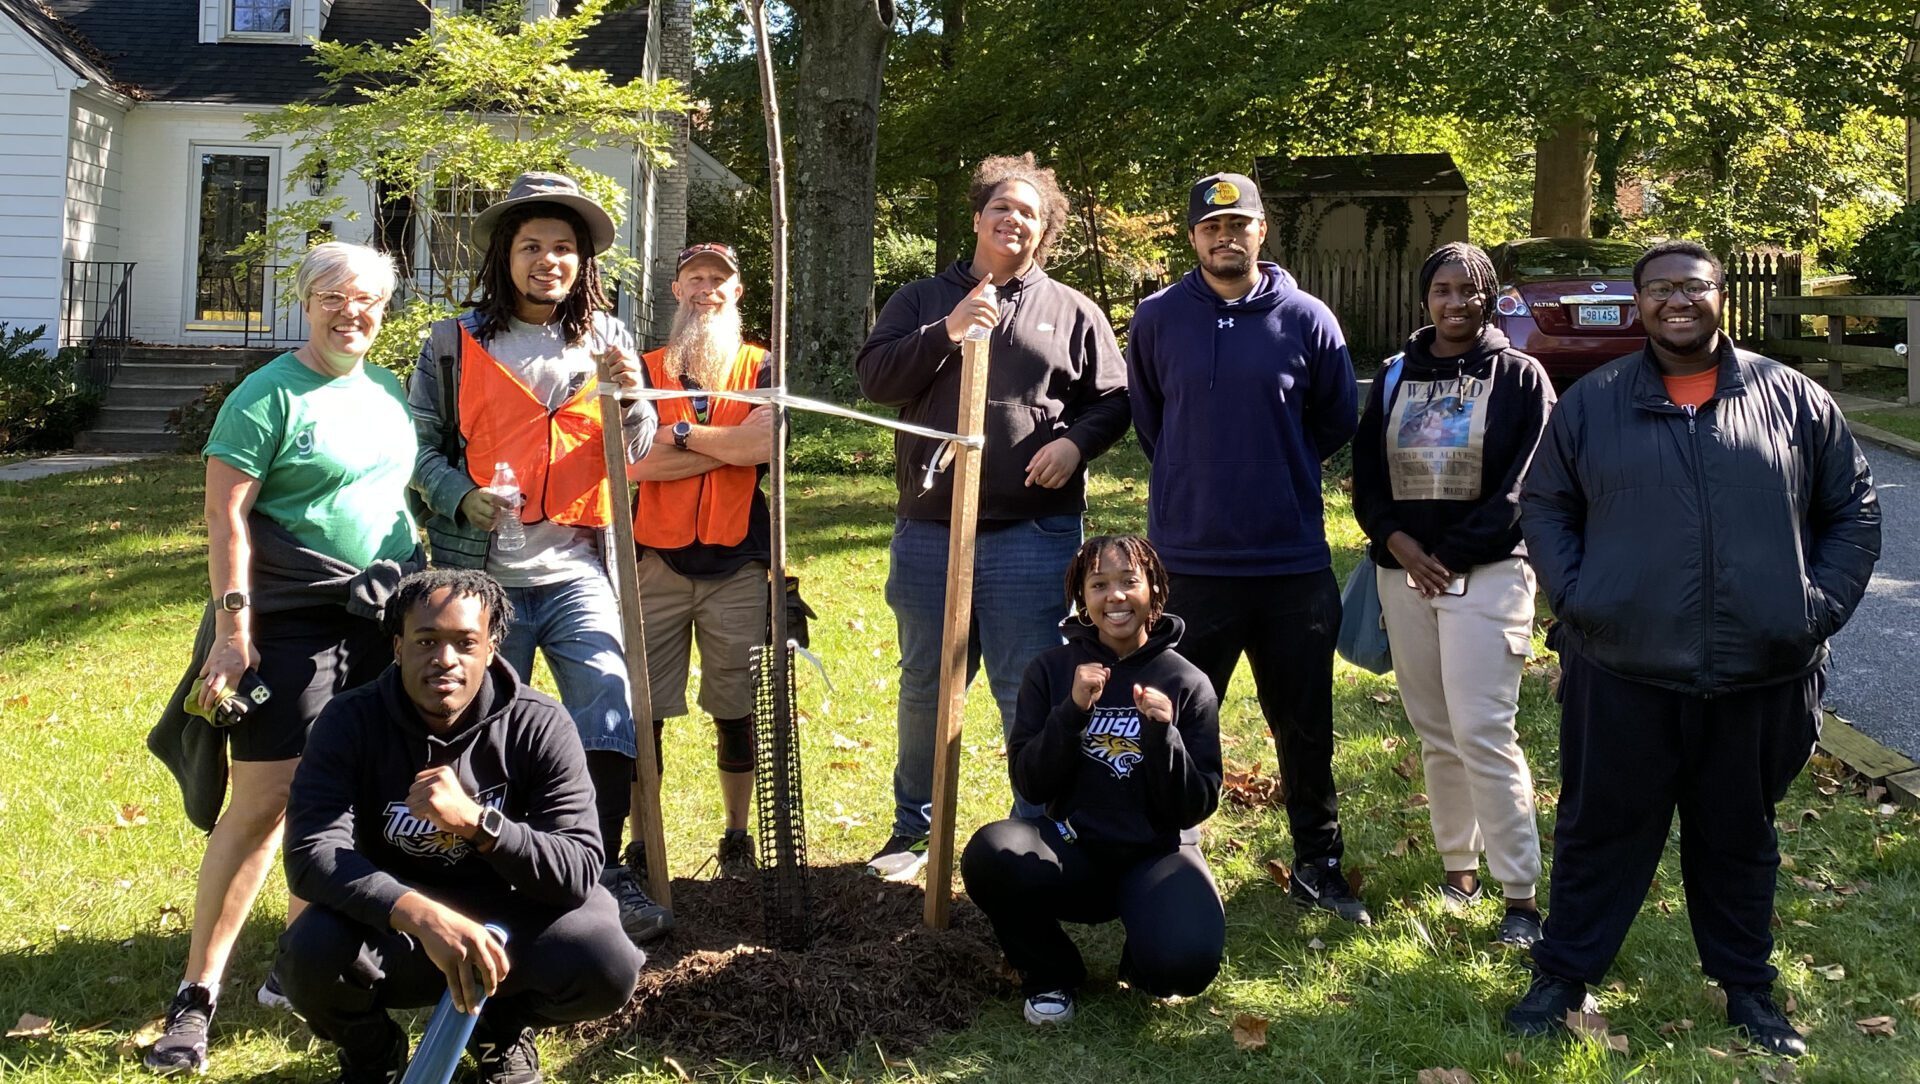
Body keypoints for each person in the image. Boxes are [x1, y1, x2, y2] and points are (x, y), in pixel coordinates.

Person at [1506, 240, 1880, 1056]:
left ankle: (1749, 989)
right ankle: (1563, 975)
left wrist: (1811, 609)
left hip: (1759, 672)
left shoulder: (1794, 401)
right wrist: (1580, 601)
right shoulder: (1593, 403)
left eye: (1694, 287)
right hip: (1623, 669)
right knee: (1598, 830)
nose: (1678, 301)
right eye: (1660, 290)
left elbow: (1852, 509)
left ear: (1721, 298)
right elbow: (1544, 506)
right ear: (1639, 304)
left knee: (1739, 837)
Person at [144, 241, 422, 1075]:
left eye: (367, 300)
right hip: (290, 620)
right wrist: (235, 631)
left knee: (353, 796)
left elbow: (387, 497)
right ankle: (197, 995)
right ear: (306, 303)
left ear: (384, 310)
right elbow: (226, 522)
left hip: (380, 618)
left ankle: (302, 964)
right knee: (266, 802)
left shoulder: (388, 390)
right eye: (333, 297)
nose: (352, 313)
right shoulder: (266, 395)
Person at [855, 153, 1131, 880]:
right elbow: (877, 378)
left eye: (1029, 214)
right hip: (930, 531)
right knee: (926, 684)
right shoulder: (920, 299)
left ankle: (1035, 831)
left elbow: (1114, 399)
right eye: (1002, 208)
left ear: (1044, 233)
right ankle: (910, 832)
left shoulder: (1072, 310)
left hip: (1030, 537)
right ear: (978, 218)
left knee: (1026, 686)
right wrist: (946, 330)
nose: (1014, 220)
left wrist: (1074, 444)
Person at [406, 172, 665, 942]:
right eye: (531, 247)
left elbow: (636, 450)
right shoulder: (456, 341)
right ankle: (474, 863)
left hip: (581, 567)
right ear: (503, 257)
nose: (548, 260)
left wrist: (633, 400)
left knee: (607, 701)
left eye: (563, 248)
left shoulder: (610, 340)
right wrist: (460, 496)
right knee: (475, 719)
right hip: (483, 578)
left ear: (583, 261)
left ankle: (603, 867)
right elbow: (417, 446)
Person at [279, 569, 643, 1084]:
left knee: (604, 961)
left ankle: (501, 1028)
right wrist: (420, 915)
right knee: (308, 957)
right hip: (398, 925)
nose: (444, 660)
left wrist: (480, 823)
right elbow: (313, 853)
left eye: (464, 643)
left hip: (512, 922)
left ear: (492, 649)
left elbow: (580, 865)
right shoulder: (349, 721)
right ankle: (373, 1053)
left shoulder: (540, 724)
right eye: (426, 640)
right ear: (397, 646)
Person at [1125, 171, 1366, 923]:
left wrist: (1272, 472)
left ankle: (1318, 863)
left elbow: (1333, 421)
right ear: (1191, 236)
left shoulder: (1308, 318)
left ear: (1262, 231)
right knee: (1180, 715)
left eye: (1240, 226)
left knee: (1305, 722)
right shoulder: (1158, 318)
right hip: (1191, 563)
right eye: (1210, 228)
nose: (1225, 238)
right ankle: (1170, 853)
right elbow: (1150, 424)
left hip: (1290, 563)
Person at [1351, 242, 1555, 947]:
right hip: (1403, 573)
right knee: (1437, 733)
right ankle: (1458, 870)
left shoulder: (1521, 377)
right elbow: (1368, 477)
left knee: (1483, 732)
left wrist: (1448, 554)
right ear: (1424, 299)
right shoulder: (1396, 373)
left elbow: (1527, 486)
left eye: (1469, 291)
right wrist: (1401, 546)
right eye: (1442, 289)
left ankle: (1521, 897)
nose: (1455, 303)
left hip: (1489, 573)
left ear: (1490, 298)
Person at [961, 535, 1223, 1026]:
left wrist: (1164, 734)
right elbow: (1032, 784)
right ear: (1083, 597)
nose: (1115, 597)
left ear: (1154, 591)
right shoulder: (1052, 671)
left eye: (1129, 582)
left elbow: (1196, 803)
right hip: (1073, 850)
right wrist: (1073, 712)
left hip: (1157, 855)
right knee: (990, 853)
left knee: (1185, 964)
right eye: (1099, 584)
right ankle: (1050, 974)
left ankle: (1145, 957)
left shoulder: (1187, 682)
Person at [628, 241, 772, 879]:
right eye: (695, 278)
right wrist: (730, 447)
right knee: (645, 711)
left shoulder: (762, 367)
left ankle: (736, 836)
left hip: (738, 563)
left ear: (737, 292)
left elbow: (768, 444)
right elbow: (633, 460)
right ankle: (643, 840)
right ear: (676, 291)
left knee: (734, 704)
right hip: (654, 561)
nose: (707, 288)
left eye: (720, 279)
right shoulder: (642, 368)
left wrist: (681, 434)